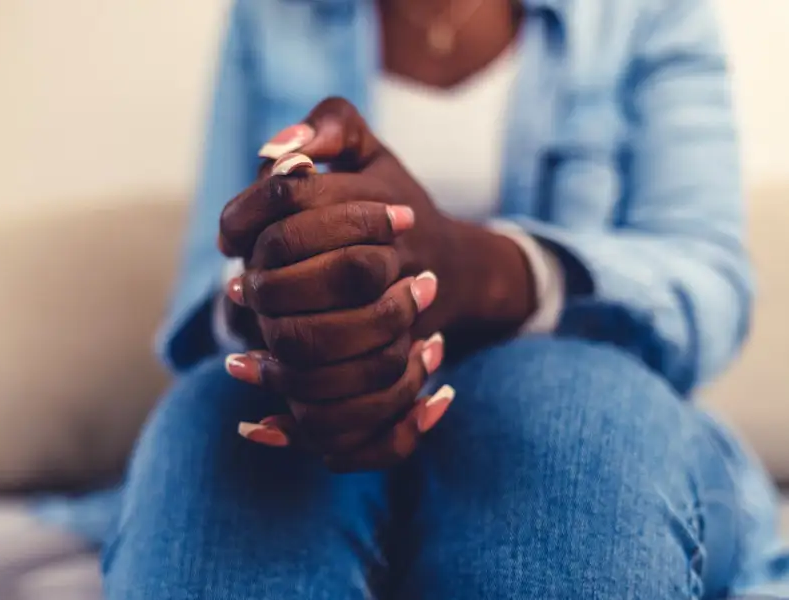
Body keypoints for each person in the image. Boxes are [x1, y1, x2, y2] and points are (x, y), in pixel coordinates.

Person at [98, 0, 789, 597]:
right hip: (316, 409)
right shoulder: (274, 13)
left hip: (577, 392)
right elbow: (205, 287)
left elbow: (709, 283)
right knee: (210, 423)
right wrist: (285, 303)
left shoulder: (647, 11)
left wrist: (482, 269)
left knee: (573, 409)